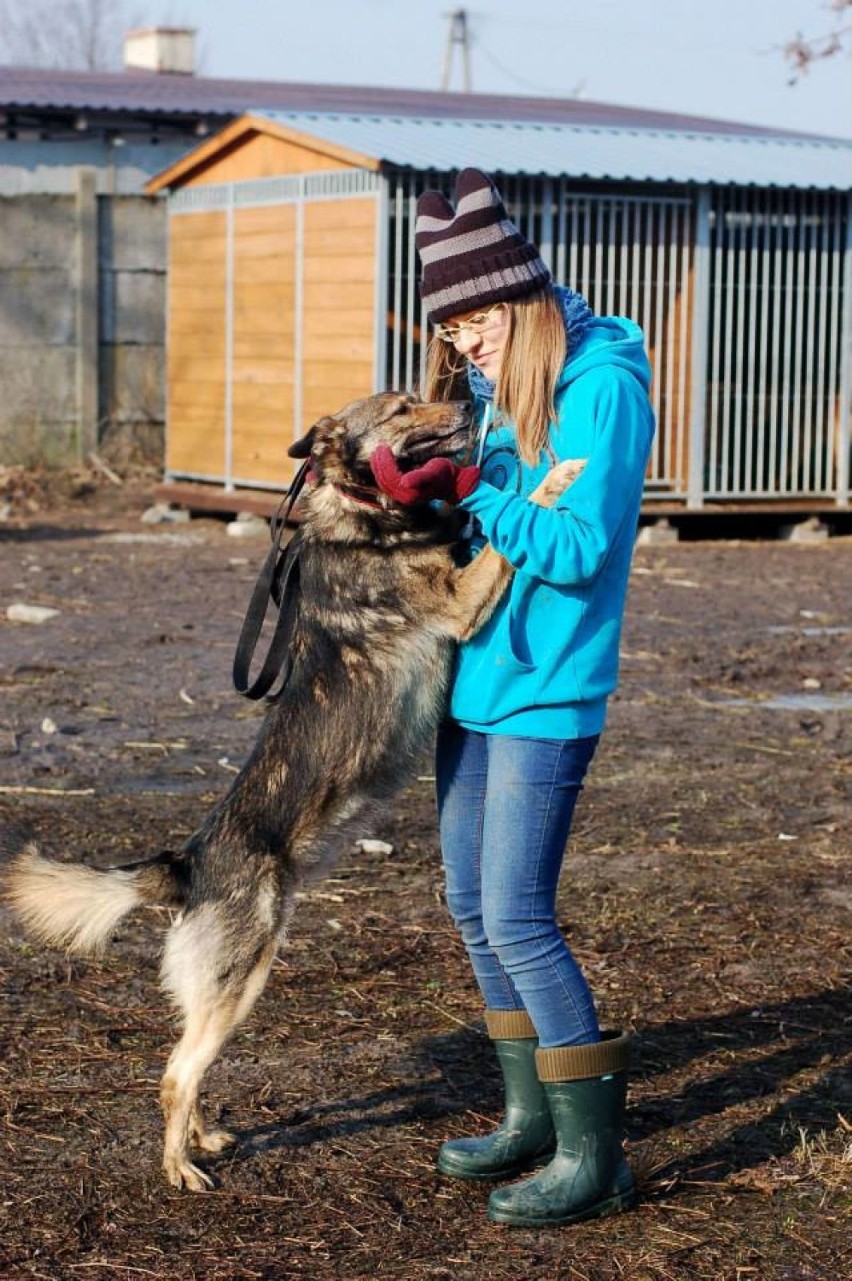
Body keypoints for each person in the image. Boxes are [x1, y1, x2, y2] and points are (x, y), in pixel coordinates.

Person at [372, 168, 655, 1228]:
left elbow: (580, 548)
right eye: (451, 326)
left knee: (524, 918)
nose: (465, 344)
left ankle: (597, 1158)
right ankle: (530, 1117)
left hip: (548, 692)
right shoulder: (498, 395)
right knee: (474, 910)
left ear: (523, 297)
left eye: (477, 320)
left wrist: (479, 491)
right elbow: (492, 525)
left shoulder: (602, 390)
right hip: (476, 681)